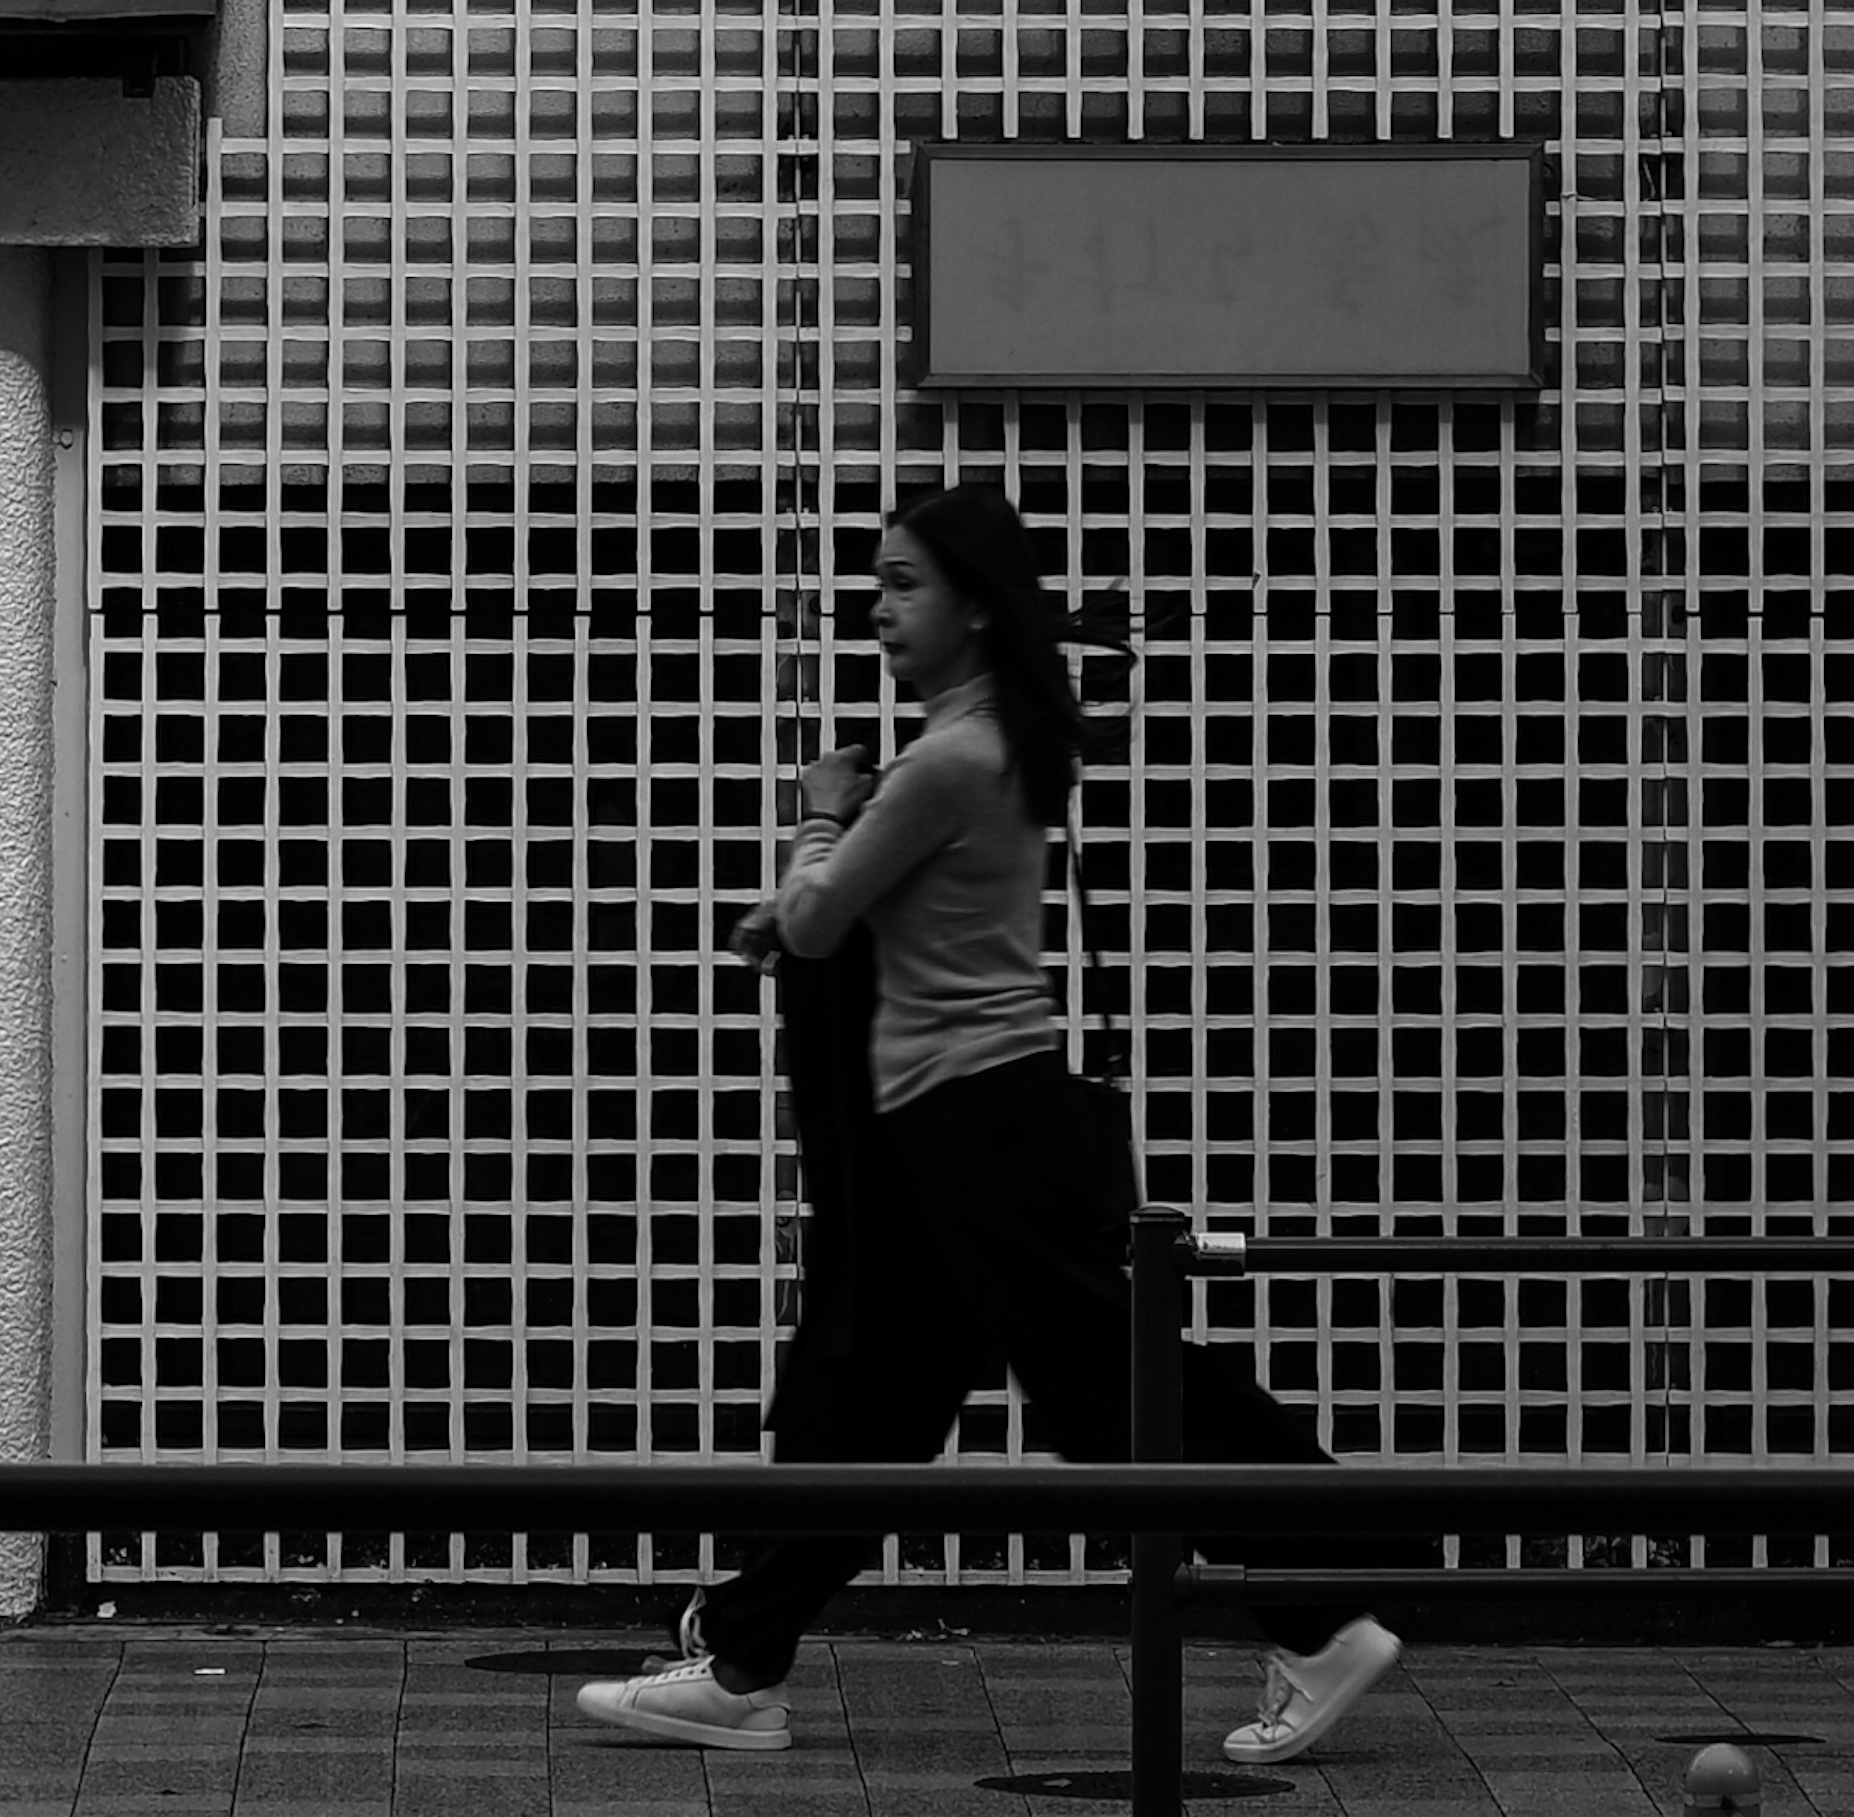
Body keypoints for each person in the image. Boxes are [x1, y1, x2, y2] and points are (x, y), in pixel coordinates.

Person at [575, 480, 1412, 1767]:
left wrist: (815, 807)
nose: (877, 606)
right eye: (877, 581)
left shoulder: (948, 757)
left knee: (1109, 1402)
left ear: (972, 603)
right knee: (864, 1409)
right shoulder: (988, 739)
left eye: (905, 582)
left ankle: (1329, 1606)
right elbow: (880, 911)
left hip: (985, 1134)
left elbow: (815, 917)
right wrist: (820, 878)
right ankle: (742, 1667)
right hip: (961, 1131)